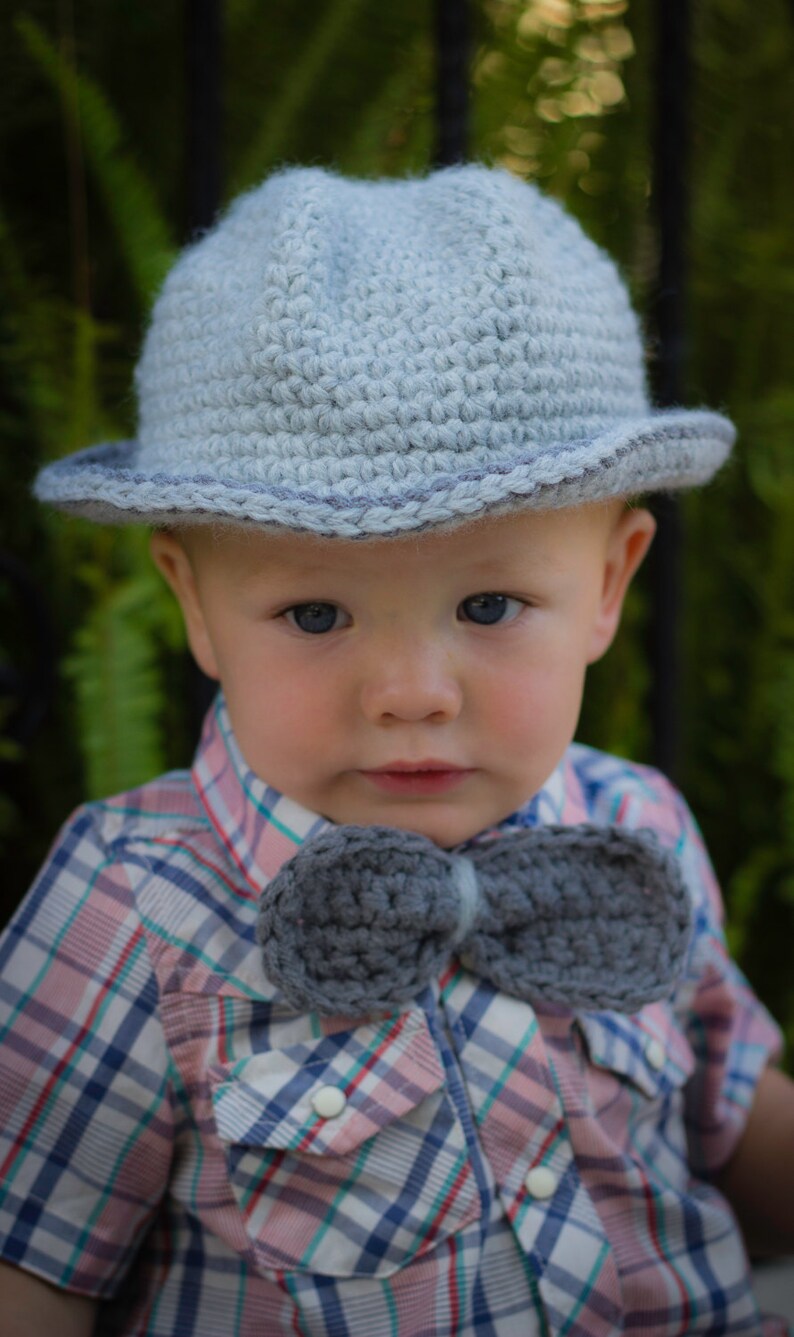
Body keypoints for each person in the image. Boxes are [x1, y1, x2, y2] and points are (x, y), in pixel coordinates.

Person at [0, 164, 791, 1337]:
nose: (411, 693)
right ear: (197, 603)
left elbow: (731, 1128)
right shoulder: (130, 899)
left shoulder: (640, 830)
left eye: (488, 606)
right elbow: (33, 1276)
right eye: (315, 616)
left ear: (608, 583)